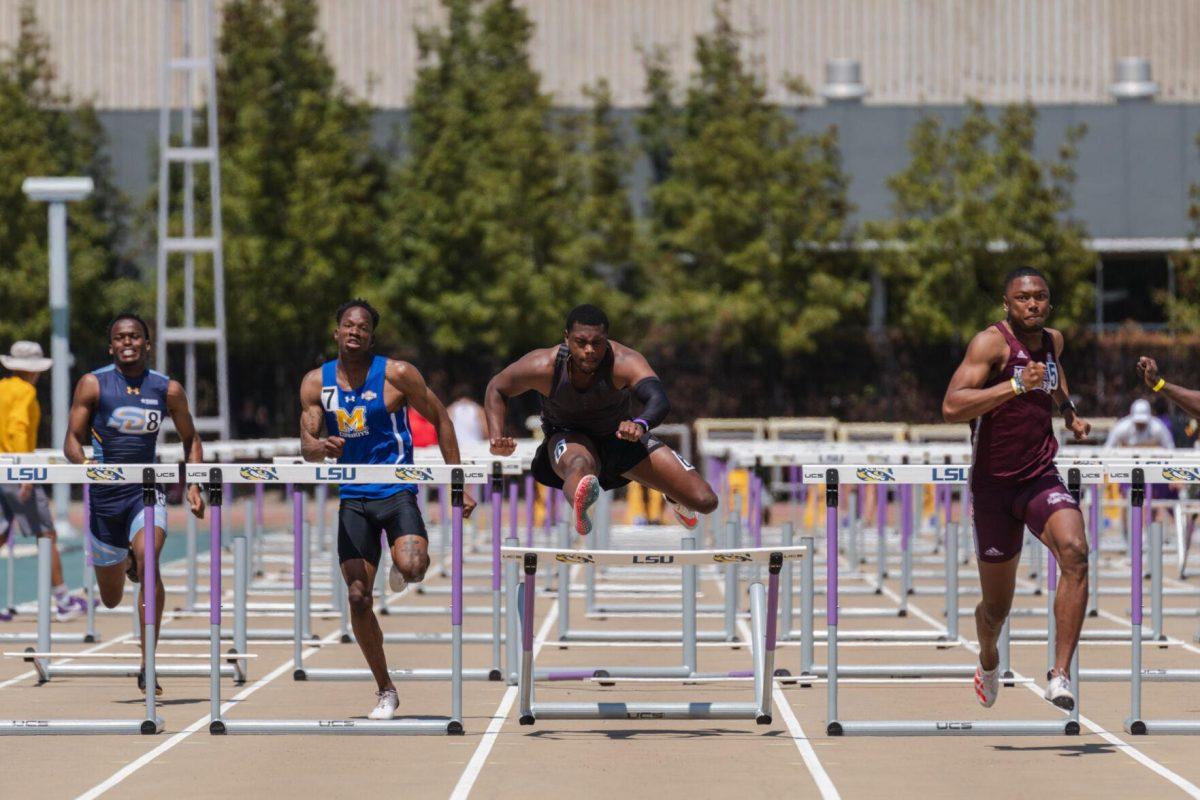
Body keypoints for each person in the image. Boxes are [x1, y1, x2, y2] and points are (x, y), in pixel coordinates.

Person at [299, 299, 476, 720]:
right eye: (348, 326)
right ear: (336, 333)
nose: (355, 332)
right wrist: (320, 447)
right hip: (353, 498)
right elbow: (305, 444)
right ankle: (385, 689)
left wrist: (458, 481)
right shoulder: (315, 383)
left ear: (371, 336)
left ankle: (402, 564)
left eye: (362, 327)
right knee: (359, 597)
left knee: (414, 567)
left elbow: (441, 419)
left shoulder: (397, 374)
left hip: (396, 490)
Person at [942, 267, 1091, 711]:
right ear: (1007, 304)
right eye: (1023, 298)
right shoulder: (990, 344)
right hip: (993, 488)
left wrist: (1068, 412)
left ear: (1049, 302)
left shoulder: (1053, 340)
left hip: (1038, 475)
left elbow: (1054, 374)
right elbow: (951, 406)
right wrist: (1013, 384)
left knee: (1076, 551)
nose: (1033, 305)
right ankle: (988, 657)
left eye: (1040, 297)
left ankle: (1059, 674)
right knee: (996, 610)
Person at [484, 304, 717, 537]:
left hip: (619, 437)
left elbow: (659, 399)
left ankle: (674, 495)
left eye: (597, 343)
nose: (589, 350)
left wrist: (640, 424)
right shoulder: (543, 366)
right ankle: (582, 505)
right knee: (579, 464)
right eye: (581, 342)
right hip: (567, 436)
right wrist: (496, 436)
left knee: (705, 501)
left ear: (607, 339)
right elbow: (497, 387)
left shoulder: (623, 361)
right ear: (566, 338)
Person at [64, 314, 206, 696]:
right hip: (105, 498)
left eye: (135, 337)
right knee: (110, 599)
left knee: (151, 563)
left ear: (147, 343)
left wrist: (193, 483)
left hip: (146, 489)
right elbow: (72, 441)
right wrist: (86, 468)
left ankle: (148, 661)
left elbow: (191, 439)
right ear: (111, 346)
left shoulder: (167, 389)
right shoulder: (93, 384)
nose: (128, 342)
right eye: (120, 337)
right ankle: (124, 561)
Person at [0, 341, 85, 621]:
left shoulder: (2, 388)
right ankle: (63, 600)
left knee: (1, 535)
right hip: (16, 468)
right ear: (34, 371)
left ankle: (62, 598)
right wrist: (26, 470)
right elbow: (18, 429)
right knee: (46, 533)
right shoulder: (25, 392)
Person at [1105, 398, 1174, 450]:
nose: (1140, 424)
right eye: (1138, 422)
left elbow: (1170, 448)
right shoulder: (1121, 427)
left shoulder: (1158, 427)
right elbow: (1108, 448)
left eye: (1143, 422)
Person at [446, 385, 487, 449]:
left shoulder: (450, 410)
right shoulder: (479, 410)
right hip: (476, 448)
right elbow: (486, 432)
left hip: (457, 448)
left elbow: (445, 433)